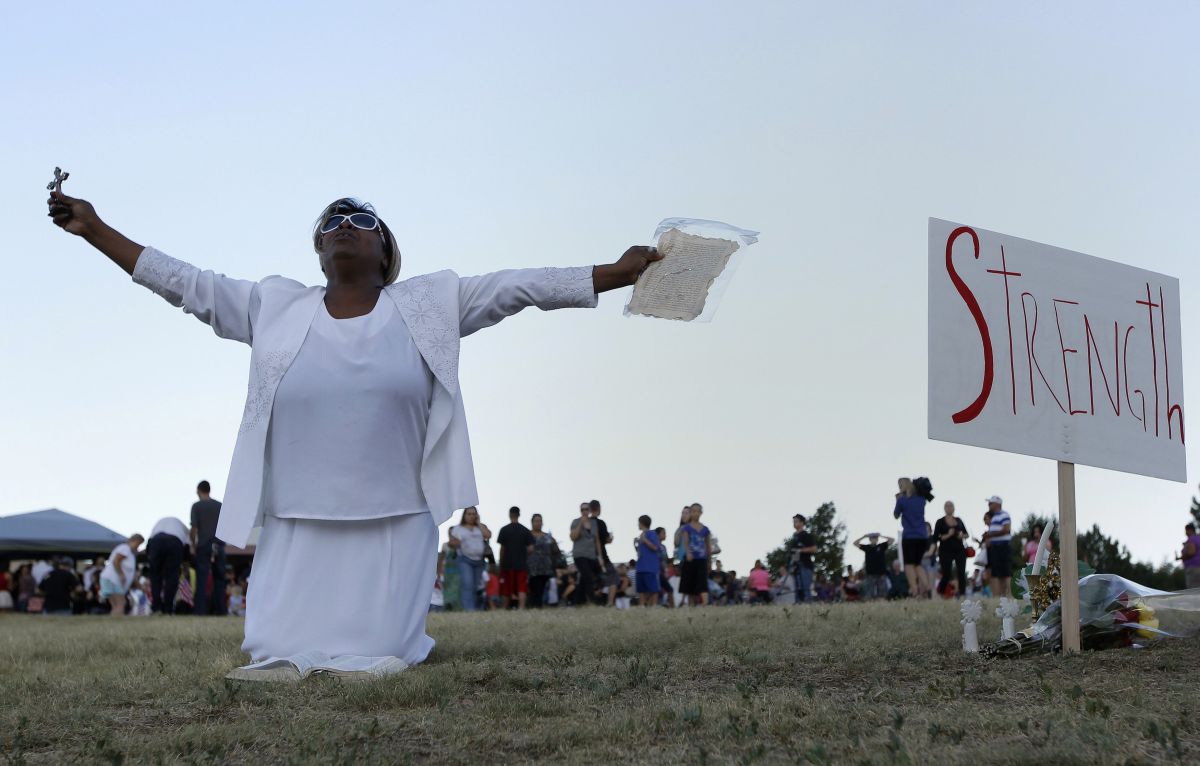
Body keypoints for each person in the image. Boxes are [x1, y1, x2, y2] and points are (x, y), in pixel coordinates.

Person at [49, 190, 658, 669]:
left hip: (395, 512)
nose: (342, 221)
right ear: (317, 250)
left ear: (386, 249)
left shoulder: (430, 302)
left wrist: (615, 272)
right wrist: (96, 230)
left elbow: (520, 287)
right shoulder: (273, 305)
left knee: (382, 653)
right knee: (272, 648)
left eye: (359, 217)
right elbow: (187, 284)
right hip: (296, 514)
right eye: (330, 220)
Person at [190, 481, 226, 617]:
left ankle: (200, 611)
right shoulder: (219, 506)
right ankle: (221, 610)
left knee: (202, 579)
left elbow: (194, 528)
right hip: (219, 545)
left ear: (198, 491)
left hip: (204, 545)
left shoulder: (197, 506)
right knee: (220, 579)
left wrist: (193, 545)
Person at [893, 477, 931, 597]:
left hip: (909, 536)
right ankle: (928, 589)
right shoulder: (921, 500)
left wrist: (898, 500)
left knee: (909, 565)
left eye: (900, 485)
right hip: (922, 536)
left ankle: (914, 591)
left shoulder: (902, 501)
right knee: (918, 564)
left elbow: (896, 515)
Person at [448, 507, 490, 612]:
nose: (471, 516)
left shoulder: (480, 528)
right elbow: (451, 543)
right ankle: (469, 610)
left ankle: (475, 609)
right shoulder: (458, 529)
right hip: (465, 560)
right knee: (468, 584)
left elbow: (488, 535)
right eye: (469, 514)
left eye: (473, 514)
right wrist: (454, 543)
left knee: (476, 587)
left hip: (479, 561)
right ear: (464, 515)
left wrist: (479, 523)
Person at [147, 516, 189, 614]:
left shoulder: (159, 522)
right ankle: (168, 608)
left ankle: (156, 607)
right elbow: (187, 549)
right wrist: (185, 566)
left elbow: (149, 544)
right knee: (172, 576)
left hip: (156, 541)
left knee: (155, 576)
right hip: (175, 541)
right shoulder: (183, 528)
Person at [496, 506, 535, 610]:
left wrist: (501, 562)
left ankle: (504, 608)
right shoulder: (525, 530)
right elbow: (531, 548)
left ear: (509, 514)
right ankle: (521, 607)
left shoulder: (504, 530)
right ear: (519, 514)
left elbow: (502, 549)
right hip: (521, 564)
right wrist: (523, 552)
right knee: (522, 587)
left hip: (507, 564)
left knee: (506, 588)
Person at [99, 534, 144, 617]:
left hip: (111, 580)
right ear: (133, 541)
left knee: (115, 605)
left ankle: (112, 623)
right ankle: (118, 623)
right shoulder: (125, 548)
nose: (138, 547)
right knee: (121, 603)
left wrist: (139, 586)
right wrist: (121, 575)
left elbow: (131, 574)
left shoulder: (130, 553)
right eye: (138, 544)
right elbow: (116, 561)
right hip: (113, 579)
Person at [570, 502, 602, 606]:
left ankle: (577, 602)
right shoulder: (575, 522)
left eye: (586, 509)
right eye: (582, 509)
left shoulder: (593, 523)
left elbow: (596, 540)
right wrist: (580, 524)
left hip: (591, 555)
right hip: (579, 555)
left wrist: (600, 556)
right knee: (588, 576)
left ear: (589, 510)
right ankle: (592, 601)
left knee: (584, 579)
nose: (584, 511)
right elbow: (573, 537)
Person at [933, 502, 969, 598]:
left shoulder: (959, 520)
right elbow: (936, 538)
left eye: (951, 506)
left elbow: (966, 534)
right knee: (946, 573)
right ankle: (940, 593)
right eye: (947, 506)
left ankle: (962, 595)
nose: (949, 508)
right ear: (944, 508)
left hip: (960, 550)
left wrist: (962, 535)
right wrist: (948, 534)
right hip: (945, 551)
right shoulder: (940, 522)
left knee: (961, 572)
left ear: (954, 508)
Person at [679, 505, 712, 606]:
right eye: (693, 511)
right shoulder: (686, 528)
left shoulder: (705, 529)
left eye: (698, 512)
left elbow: (708, 545)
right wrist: (688, 552)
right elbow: (686, 542)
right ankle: (691, 606)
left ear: (701, 513)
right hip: (690, 559)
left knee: (702, 582)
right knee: (690, 584)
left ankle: (705, 603)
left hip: (702, 559)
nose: (695, 514)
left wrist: (709, 561)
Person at [589, 500, 619, 606]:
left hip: (586, 556)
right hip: (601, 555)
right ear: (598, 508)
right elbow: (605, 539)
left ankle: (590, 602)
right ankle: (610, 602)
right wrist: (610, 538)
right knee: (613, 577)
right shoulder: (600, 523)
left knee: (593, 580)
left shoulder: (585, 523)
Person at [526, 513, 560, 609]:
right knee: (535, 589)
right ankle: (535, 607)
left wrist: (556, 565)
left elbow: (556, 551)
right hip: (532, 570)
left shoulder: (548, 537)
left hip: (546, 569)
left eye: (540, 521)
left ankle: (540, 607)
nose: (538, 523)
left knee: (543, 590)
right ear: (532, 522)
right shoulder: (527, 536)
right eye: (536, 521)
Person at [985, 495, 1013, 598]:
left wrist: (990, 535)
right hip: (996, 547)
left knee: (1006, 572)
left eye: (991, 503)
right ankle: (1002, 596)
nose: (989, 505)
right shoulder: (995, 517)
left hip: (1003, 547)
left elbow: (1006, 529)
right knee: (998, 572)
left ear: (997, 504)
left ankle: (1009, 594)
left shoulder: (1004, 515)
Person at [853, 533, 893, 600]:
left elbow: (892, 540)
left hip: (881, 574)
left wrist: (881, 535)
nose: (874, 540)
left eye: (875, 538)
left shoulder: (882, 546)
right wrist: (864, 536)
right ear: (870, 539)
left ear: (877, 539)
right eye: (872, 538)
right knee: (870, 594)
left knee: (882, 594)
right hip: (870, 574)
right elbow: (855, 543)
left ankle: (882, 605)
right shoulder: (867, 547)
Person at [788, 514, 817, 603]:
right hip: (795, 567)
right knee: (797, 589)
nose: (794, 523)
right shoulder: (794, 537)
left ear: (802, 523)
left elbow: (814, 549)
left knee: (806, 588)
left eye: (796, 521)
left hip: (805, 566)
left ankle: (808, 608)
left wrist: (800, 550)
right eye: (793, 522)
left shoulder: (806, 535)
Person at [634, 515, 661, 608]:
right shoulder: (641, 535)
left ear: (642, 523)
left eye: (639, 522)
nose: (638, 524)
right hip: (641, 567)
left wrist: (645, 540)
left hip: (650, 567)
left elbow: (656, 547)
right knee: (641, 589)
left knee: (653, 588)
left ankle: (654, 605)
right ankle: (642, 605)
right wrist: (636, 545)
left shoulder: (651, 533)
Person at [1178, 523, 1200, 588]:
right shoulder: (1198, 538)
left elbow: (1191, 552)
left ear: (1190, 530)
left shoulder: (1191, 539)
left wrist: (1182, 557)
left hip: (1194, 568)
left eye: (1186, 530)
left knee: (1194, 592)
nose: (1185, 532)